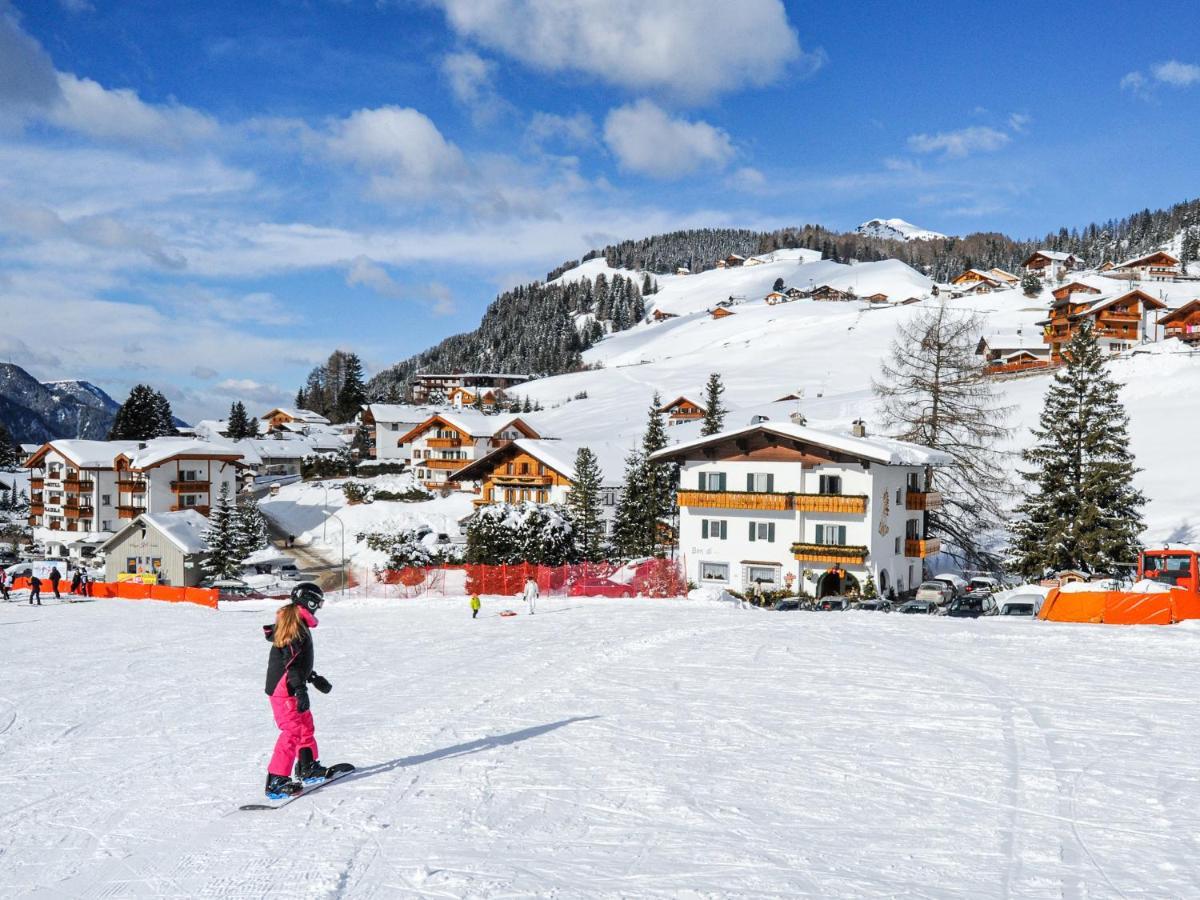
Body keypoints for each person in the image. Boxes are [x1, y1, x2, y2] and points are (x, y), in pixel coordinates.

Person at [262, 582, 333, 799]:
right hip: (285, 689)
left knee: (305, 726)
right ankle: (276, 779)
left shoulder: (297, 622)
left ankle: (307, 766)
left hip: (292, 685)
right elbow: (290, 664)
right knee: (292, 730)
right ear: (309, 601)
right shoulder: (295, 627)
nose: (318, 607)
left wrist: (312, 677)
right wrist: (300, 688)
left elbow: (297, 662)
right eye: (318, 602)